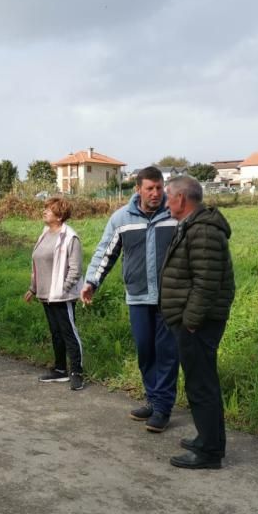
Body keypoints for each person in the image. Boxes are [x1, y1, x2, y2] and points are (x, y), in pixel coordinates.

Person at [80, 166, 179, 432]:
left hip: (170, 297)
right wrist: (91, 282)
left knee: (167, 353)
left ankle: (162, 408)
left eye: (159, 188)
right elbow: (105, 252)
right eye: (150, 188)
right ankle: (152, 397)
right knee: (146, 351)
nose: (156, 193)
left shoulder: (175, 215)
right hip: (137, 296)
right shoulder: (122, 218)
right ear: (138, 189)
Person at [160, 176, 235, 469]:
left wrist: (190, 322)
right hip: (194, 321)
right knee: (199, 383)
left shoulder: (202, 231)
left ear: (181, 199)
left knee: (202, 385)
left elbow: (206, 283)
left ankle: (209, 451)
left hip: (198, 323)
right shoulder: (193, 226)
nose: (166, 202)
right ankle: (208, 439)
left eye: (169, 196)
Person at [25, 196, 85, 391]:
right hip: (45, 294)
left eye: (49, 210)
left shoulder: (70, 237)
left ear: (59, 216)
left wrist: (63, 289)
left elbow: (75, 269)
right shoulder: (45, 234)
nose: (44, 212)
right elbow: (37, 264)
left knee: (69, 333)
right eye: (45, 209)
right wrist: (33, 288)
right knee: (56, 333)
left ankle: (77, 371)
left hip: (61, 296)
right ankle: (60, 370)